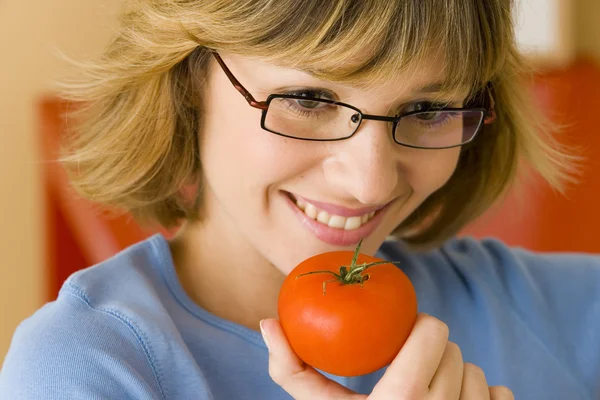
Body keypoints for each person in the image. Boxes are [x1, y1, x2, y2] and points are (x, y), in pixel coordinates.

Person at [1, 0, 599, 398]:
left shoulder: (544, 309)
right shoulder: (85, 368)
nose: (370, 183)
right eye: (309, 99)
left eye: (427, 110)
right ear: (188, 81)